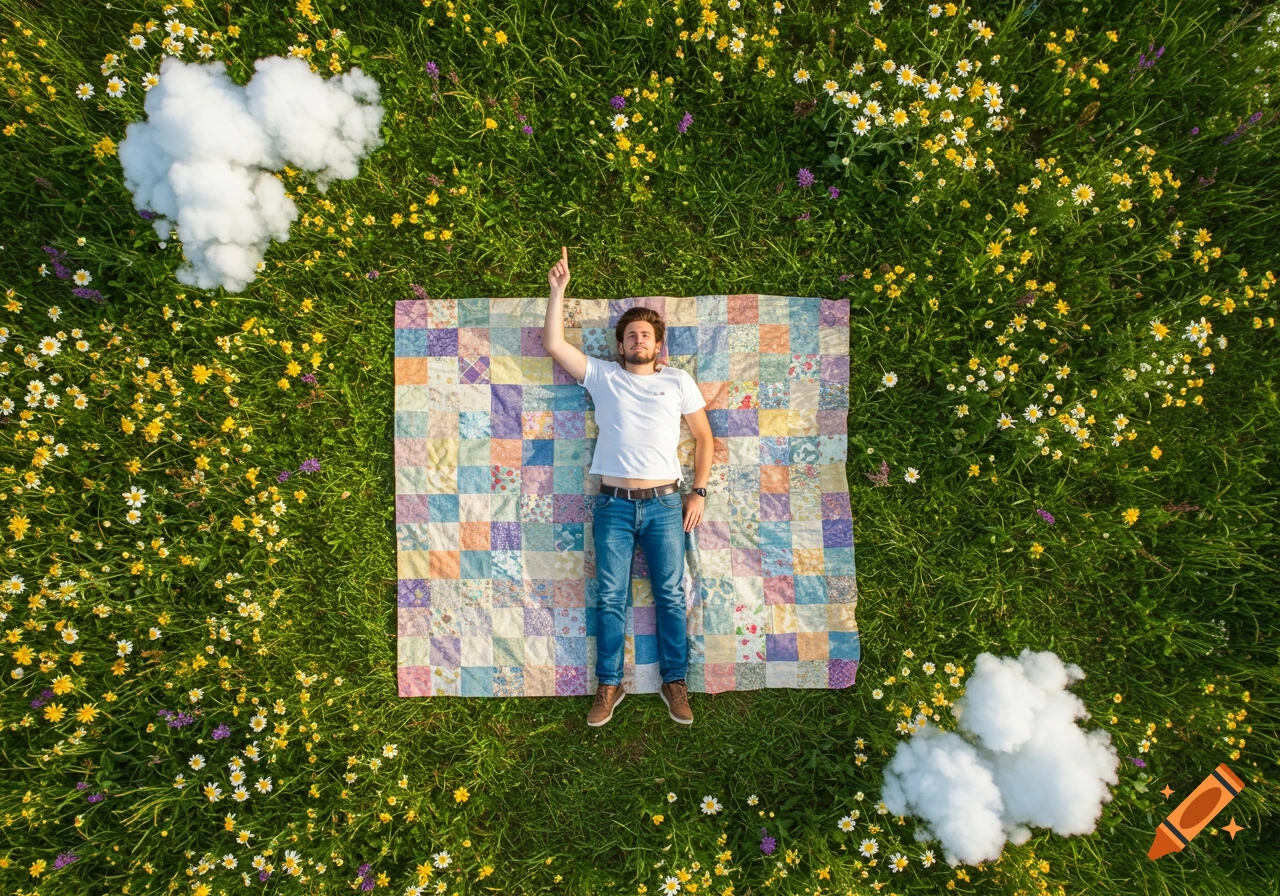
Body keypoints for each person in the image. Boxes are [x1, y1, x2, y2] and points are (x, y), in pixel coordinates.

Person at [541, 246, 713, 727]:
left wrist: (698, 492)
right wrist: (558, 291)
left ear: (659, 345)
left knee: (671, 595)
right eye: (631, 334)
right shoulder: (604, 376)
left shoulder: (678, 380)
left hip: (664, 504)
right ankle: (609, 685)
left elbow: (704, 438)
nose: (639, 339)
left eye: (647, 334)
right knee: (610, 596)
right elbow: (554, 344)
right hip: (613, 505)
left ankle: (674, 682)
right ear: (620, 345)